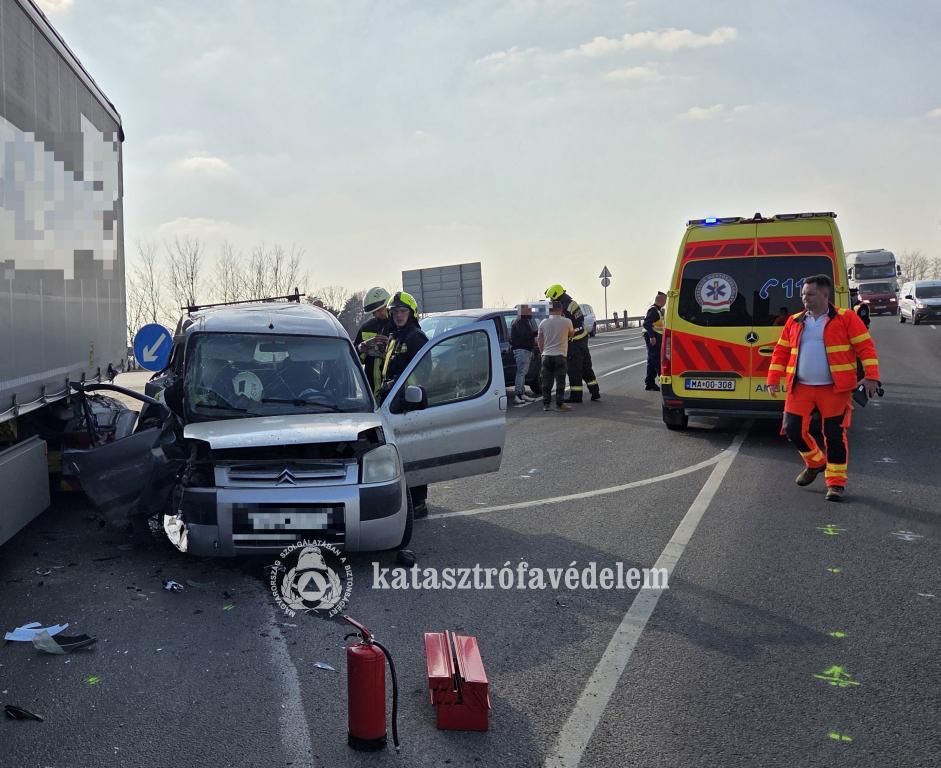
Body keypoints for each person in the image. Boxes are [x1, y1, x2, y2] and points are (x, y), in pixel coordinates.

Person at [767, 274, 880, 503]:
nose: (804, 298)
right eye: (803, 294)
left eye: (810, 294)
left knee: (835, 436)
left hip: (835, 390)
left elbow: (865, 348)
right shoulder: (795, 320)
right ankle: (816, 462)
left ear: (825, 295)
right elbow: (781, 351)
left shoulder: (846, 318)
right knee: (792, 430)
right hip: (800, 388)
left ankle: (836, 484)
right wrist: (773, 378)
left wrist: (871, 377)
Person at [378, 291, 431, 517]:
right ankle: (409, 500)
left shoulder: (415, 337)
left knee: (412, 454)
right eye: (395, 311)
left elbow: (424, 372)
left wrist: (406, 394)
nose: (399, 315)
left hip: (409, 405)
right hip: (395, 405)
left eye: (403, 311)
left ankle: (418, 504)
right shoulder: (395, 337)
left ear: (412, 313)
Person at [544, 284, 600, 403]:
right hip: (583, 338)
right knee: (586, 367)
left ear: (556, 296)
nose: (551, 301)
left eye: (551, 299)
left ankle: (576, 396)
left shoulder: (562, 308)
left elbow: (562, 325)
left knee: (574, 369)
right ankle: (595, 391)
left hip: (573, 342)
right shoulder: (572, 303)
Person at [354, 287, 392, 398]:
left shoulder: (398, 326)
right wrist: (359, 349)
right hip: (370, 388)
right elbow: (352, 355)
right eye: (373, 312)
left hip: (393, 386)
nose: (376, 314)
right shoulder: (366, 327)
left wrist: (390, 344)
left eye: (380, 310)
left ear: (388, 305)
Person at [538, 301, 575, 412]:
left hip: (547, 355)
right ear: (561, 310)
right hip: (560, 355)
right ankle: (559, 404)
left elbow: (540, 338)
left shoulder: (543, 322)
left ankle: (546, 404)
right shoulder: (567, 321)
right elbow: (572, 333)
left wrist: (542, 352)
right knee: (560, 381)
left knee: (546, 382)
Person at [510, 305, 538, 404]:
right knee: (521, 372)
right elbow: (525, 335)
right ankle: (518, 395)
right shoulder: (521, 322)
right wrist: (537, 332)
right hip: (521, 350)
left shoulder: (523, 321)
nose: (531, 314)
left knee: (523, 372)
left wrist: (531, 349)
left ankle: (522, 394)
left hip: (525, 350)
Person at [643, 292, 667, 391]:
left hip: (656, 337)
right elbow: (646, 324)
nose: (666, 302)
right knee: (656, 359)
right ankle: (663, 380)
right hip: (653, 338)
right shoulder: (653, 311)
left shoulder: (658, 310)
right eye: (665, 301)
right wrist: (652, 337)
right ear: (662, 301)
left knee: (651, 361)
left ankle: (649, 383)